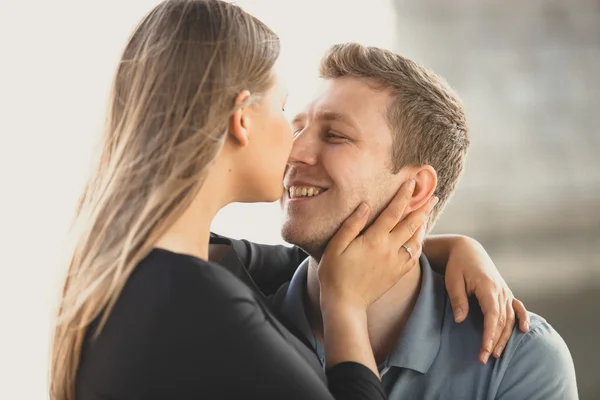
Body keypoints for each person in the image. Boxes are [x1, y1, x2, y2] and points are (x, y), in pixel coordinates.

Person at [49, 1, 529, 399]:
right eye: (285, 113)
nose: (295, 147)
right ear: (242, 119)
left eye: (334, 135)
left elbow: (288, 262)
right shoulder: (205, 306)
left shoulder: (146, 269)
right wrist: (344, 307)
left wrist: (447, 246)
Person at [257, 43, 576, 399]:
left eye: (334, 136)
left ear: (416, 189)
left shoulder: (520, 363)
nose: (294, 152)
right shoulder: (224, 319)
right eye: (296, 128)